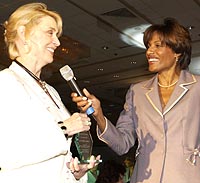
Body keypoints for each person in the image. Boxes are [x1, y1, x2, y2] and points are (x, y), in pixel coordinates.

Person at [72, 17, 200, 183]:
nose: (149, 51)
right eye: (148, 46)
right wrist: (100, 116)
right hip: (144, 178)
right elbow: (122, 144)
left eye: (157, 45)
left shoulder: (196, 88)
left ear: (177, 51)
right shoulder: (137, 92)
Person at [0, 2, 100, 183]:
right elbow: (7, 153)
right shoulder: (6, 82)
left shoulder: (51, 91)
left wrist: (76, 172)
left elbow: (56, 155)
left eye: (57, 34)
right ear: (24, 34)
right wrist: (65, 128)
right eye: (50, 32)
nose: (58, 42)